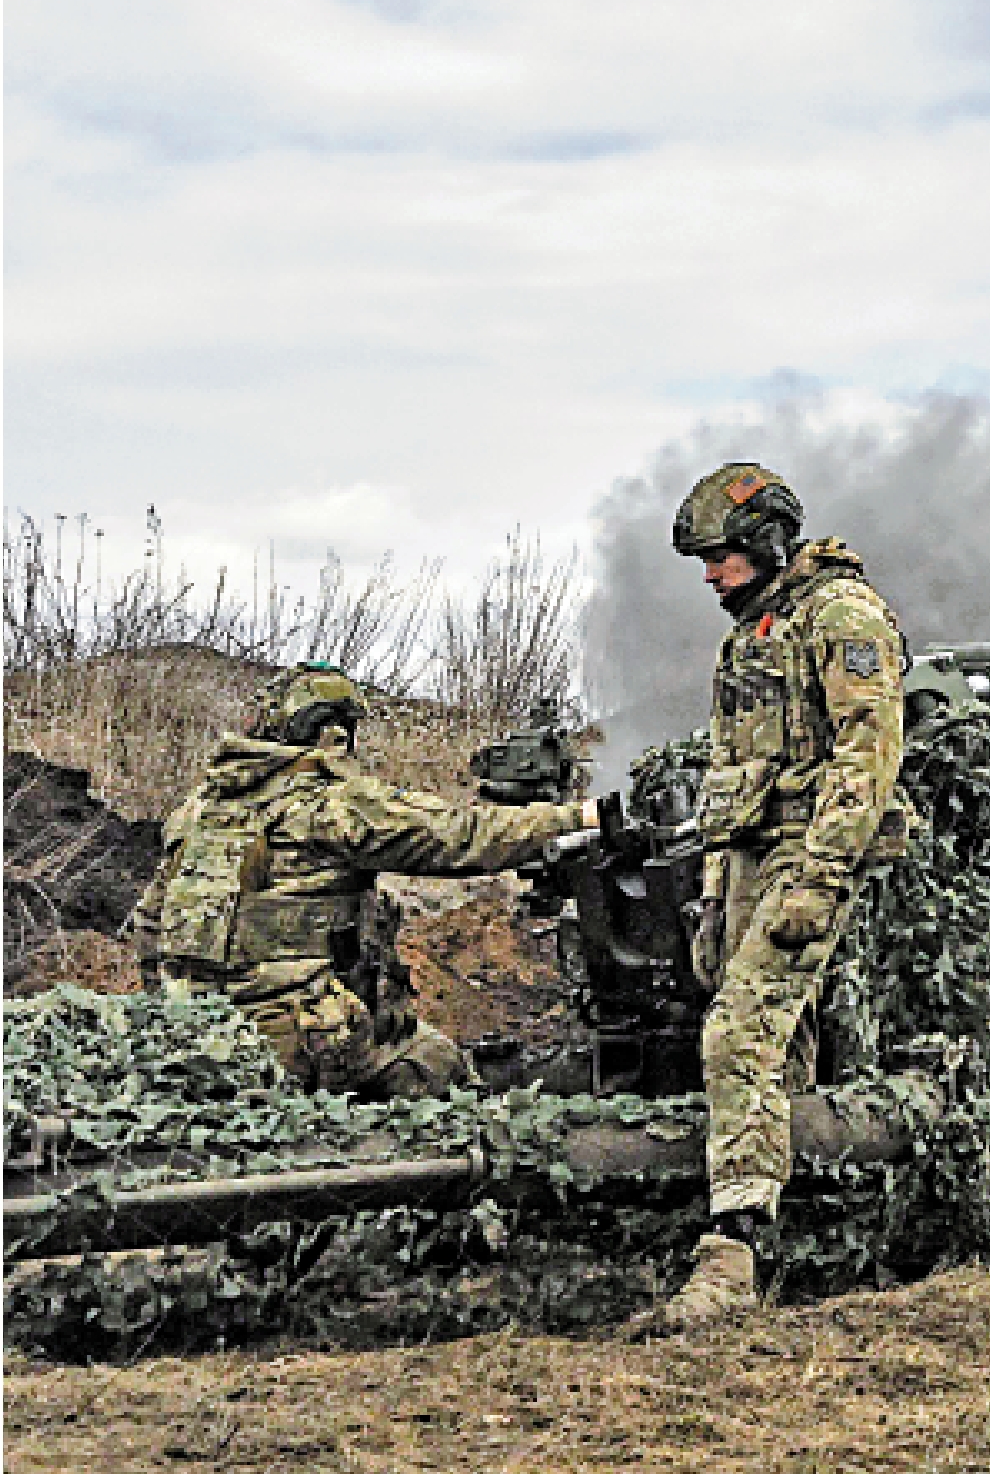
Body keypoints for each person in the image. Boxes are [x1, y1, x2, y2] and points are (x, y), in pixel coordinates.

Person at [637, 460, 907, 1333]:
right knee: (778, 1049)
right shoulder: (754, 631)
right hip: (751, 859)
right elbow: (737, 776)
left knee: (741, 1032)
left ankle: (731, 1256)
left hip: (805, 858)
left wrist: (820, 878)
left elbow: (866, 757)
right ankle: (813, 1229)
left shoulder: (839, 616)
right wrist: (718, 895)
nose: (709, 575)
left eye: (719, 557)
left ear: (763, 542)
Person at [131, 662, 601, 1098]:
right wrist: (577, 817)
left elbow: (149, 926)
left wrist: (176, 1017)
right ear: (330, 732)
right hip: (292, 1040)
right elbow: (461, 836)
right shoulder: (328, 805)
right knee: (445, 1072)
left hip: (199, 1036)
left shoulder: (198, 809)